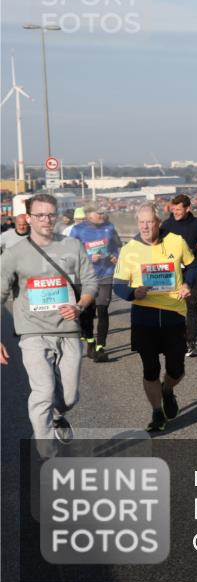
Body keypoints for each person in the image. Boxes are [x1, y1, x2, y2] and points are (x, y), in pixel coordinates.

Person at [0, 194, 97, 456]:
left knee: (68, 397)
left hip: (68, 331)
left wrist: (80, 305)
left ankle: (57, 416)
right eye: (40, 215)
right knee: (43, 391)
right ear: (28, 217)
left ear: (56, 216)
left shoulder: (73, 246)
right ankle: (48, 454)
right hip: (32, 334)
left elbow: (90, 283)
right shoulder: (13, 254)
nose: (46, 220)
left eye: (50, 214)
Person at [112, 202, 196, 432]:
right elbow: (118, 285)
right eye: (142, 222)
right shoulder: (129, 249)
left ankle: (167, 390)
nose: (146, 226)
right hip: (143, 316)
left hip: (174, 314)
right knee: (150, 369)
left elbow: (191, 266)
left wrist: (188, 283)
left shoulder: (176, 242)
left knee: (176, 369)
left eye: (150, 222)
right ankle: (157, 412)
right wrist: (132, 293)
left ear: (158, 222)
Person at [70, 206, 122, 363]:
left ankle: (100, 347)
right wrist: (88, 257)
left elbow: (116, 246)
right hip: (86, 276)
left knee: (103, 310)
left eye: (103, 212)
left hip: (106, 274)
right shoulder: (78, 230)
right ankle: (90, 340)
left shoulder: (110, 226)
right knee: (87, 312)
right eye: (98, 212)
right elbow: (72, 253)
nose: (102, 215)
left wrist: (114, 256)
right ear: (88, 214)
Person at [160, 194, 197, 356]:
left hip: (191, 270)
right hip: (171, 272)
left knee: (192, 305)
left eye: (179, 209)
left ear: (188, 209)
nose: (176, 212)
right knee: (172, 307)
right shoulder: (166, 226)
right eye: (174, 209)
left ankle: (191, 342)